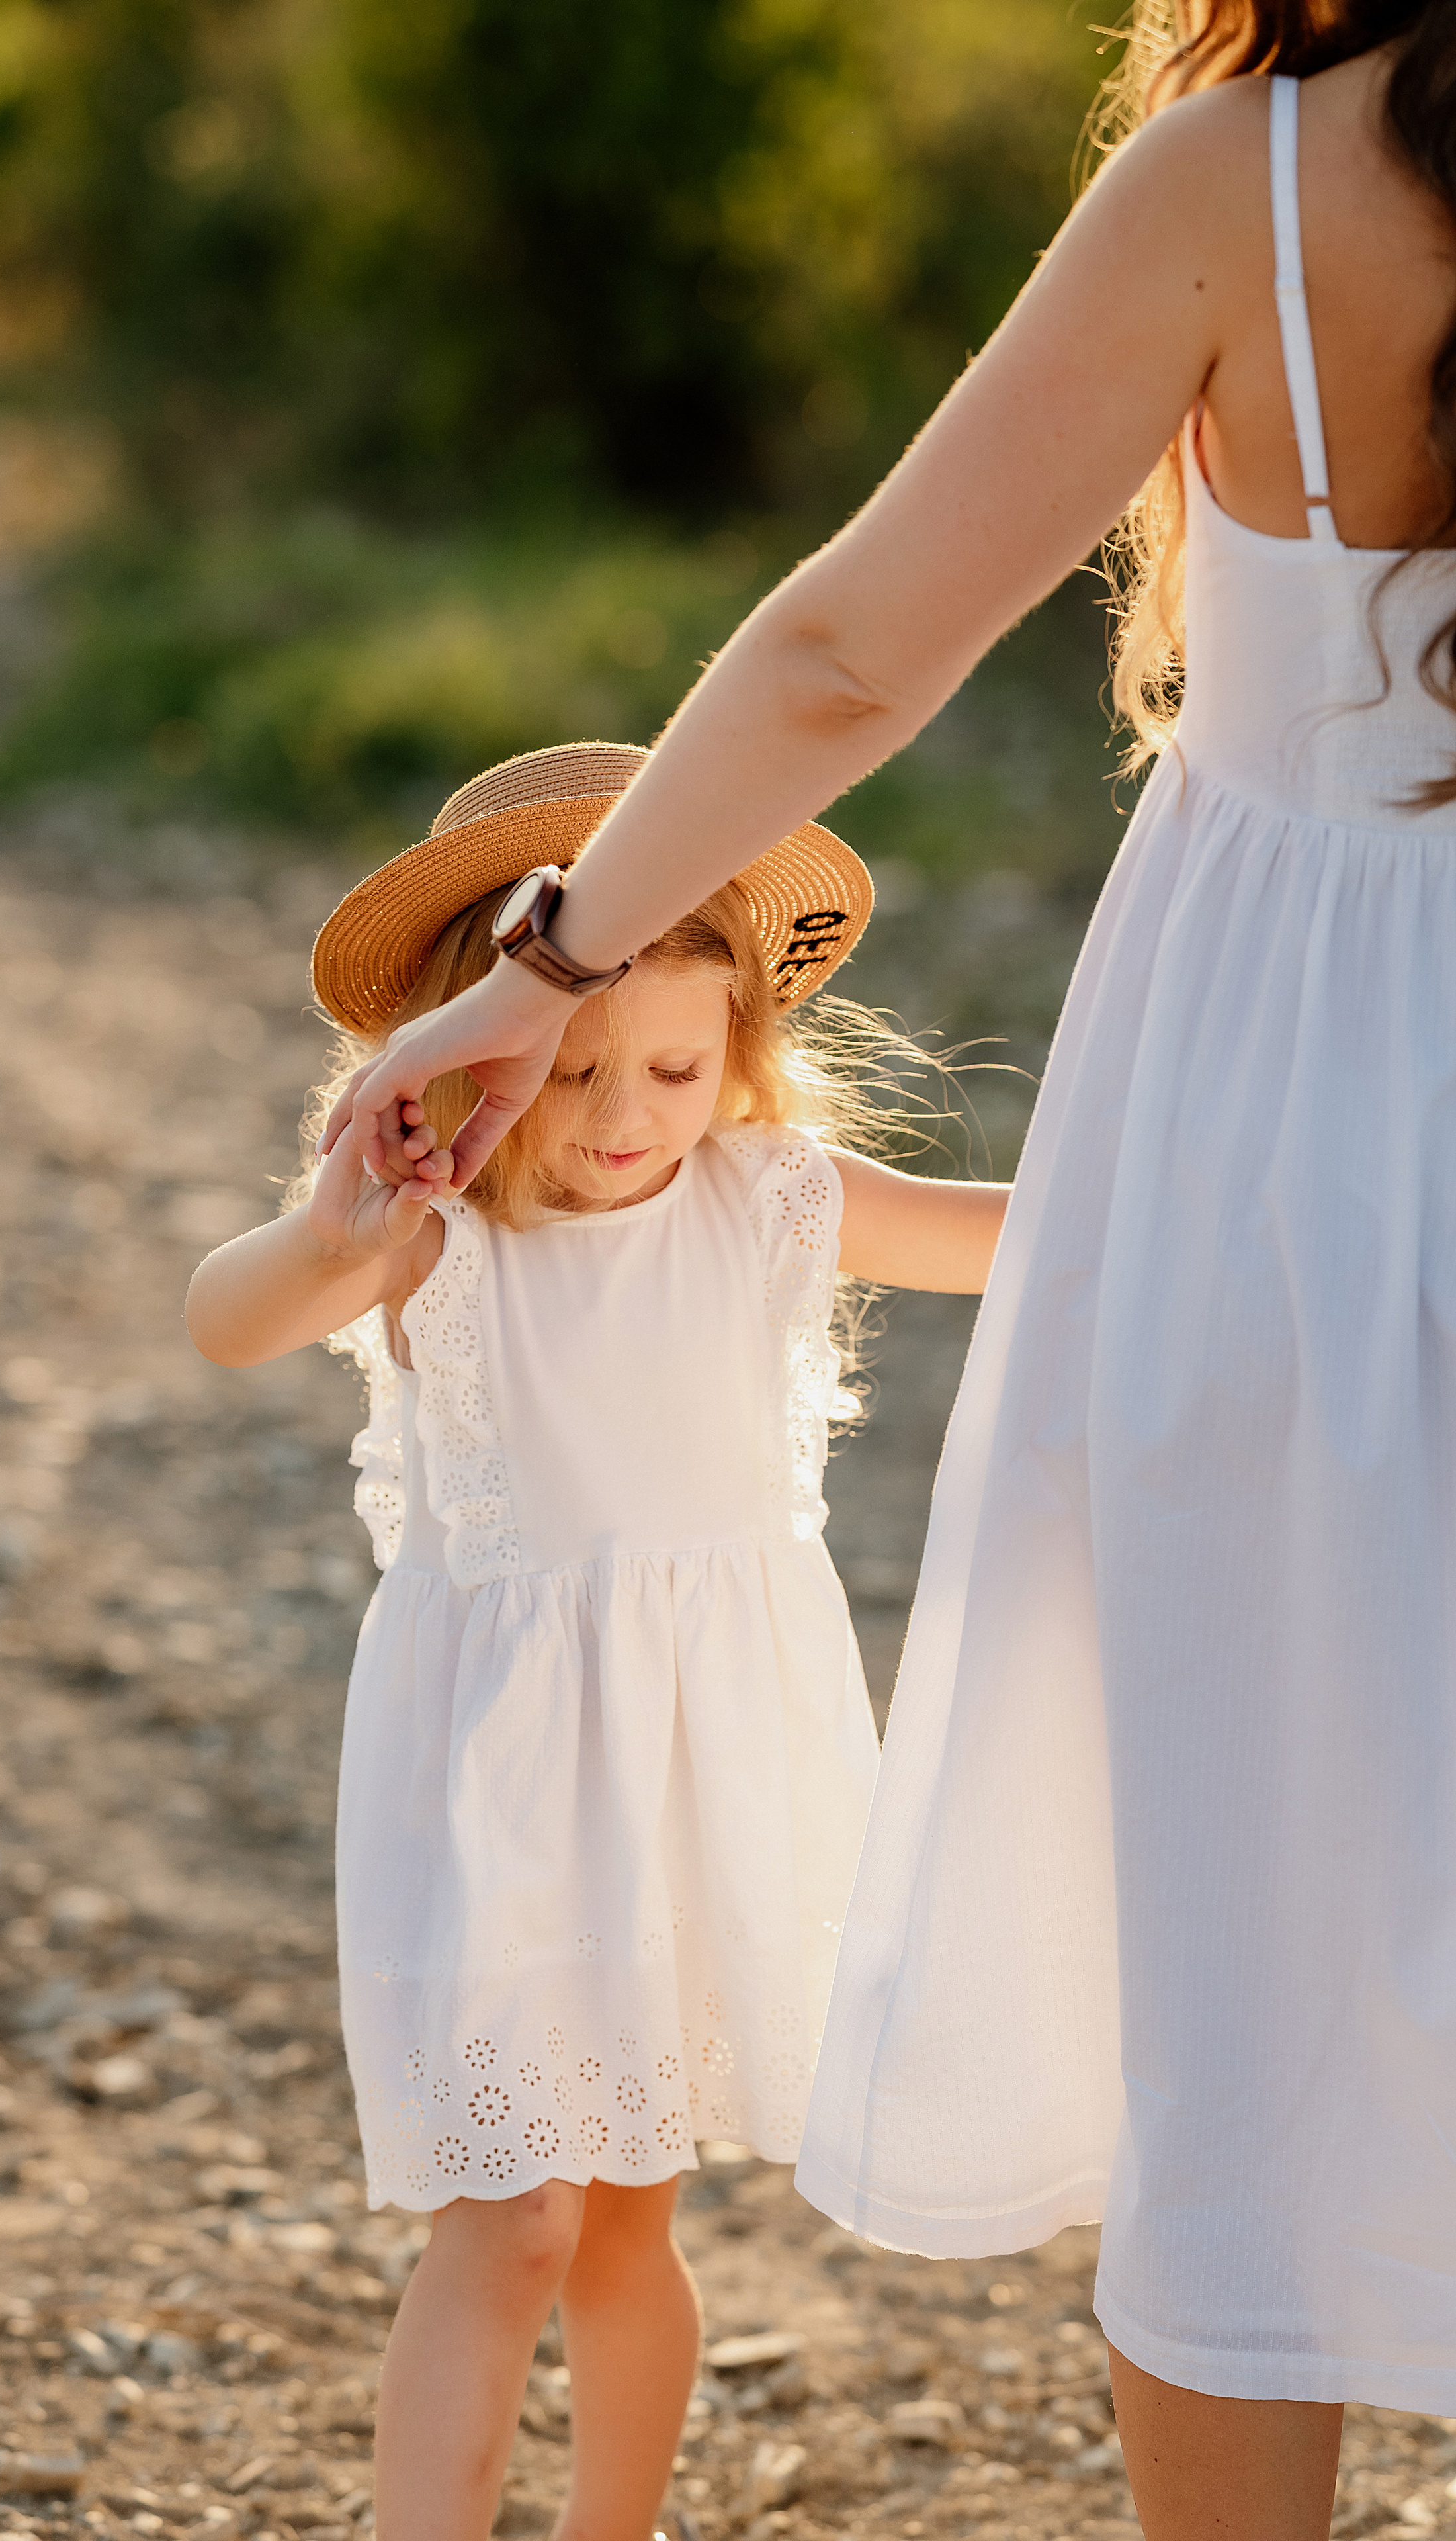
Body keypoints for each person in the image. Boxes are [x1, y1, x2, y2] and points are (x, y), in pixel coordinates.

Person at [325, 8, 1456, 2535]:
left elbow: (850, 657)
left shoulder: (1248, 189)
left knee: (1240, 1959)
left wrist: (549, 960)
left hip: (1286, 1121)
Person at [183, 740, 1007, 2541]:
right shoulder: (435, 1236)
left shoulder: (774, 1198)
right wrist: (338, 1215)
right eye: (567, 1069)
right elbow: (229, 1320)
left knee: (634, 2214)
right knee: (518, 2217)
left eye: (674, 1066)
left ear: (738, 1058)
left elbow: (1032, 1246)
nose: (624, 1111)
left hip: (712, 1773)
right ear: (475, 1054)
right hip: (507, 1784)